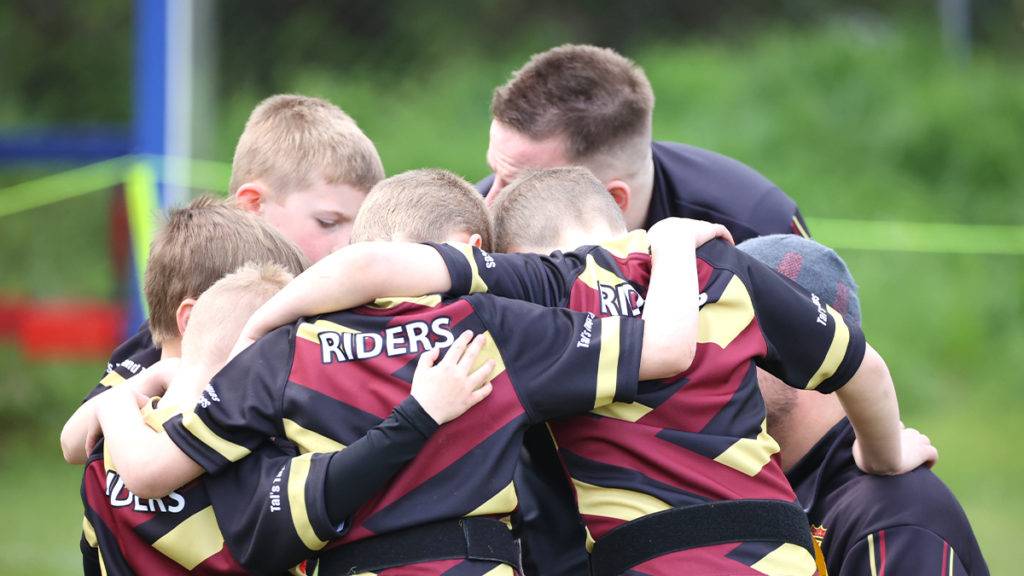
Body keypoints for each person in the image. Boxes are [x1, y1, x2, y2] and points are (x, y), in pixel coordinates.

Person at [248, 167, 937, 575]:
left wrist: (258, 336)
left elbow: (371, 265)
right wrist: (887, 453)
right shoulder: (722, 268)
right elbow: (864, 367)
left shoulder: (546, 287)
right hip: (774, 556)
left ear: (509, 255)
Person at [93, 169, 702, 575]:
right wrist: (670, 245)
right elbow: (669, 349)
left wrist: (115, 399)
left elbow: (148, 473)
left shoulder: (280, 352)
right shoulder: (497, 325)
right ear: (467, 248)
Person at [60, 94, 384, 465]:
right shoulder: (199, 309)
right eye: (328, 222)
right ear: (252, 205)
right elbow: (74, 443)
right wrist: (164, 376)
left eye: (359, 228)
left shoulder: (351, 315)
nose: (349, 245)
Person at [738, 234, 989, 576]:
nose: (713, 354)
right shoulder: (749, 482)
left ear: (810, 348)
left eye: (736, 331)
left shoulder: (896, 517)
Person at [81, 264, 304, 575]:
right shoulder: (258, 450)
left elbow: (93, 549)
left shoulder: (110, 444)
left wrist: (114, 403)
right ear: (263, 361)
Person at [60, 197, 308, 465]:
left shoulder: (252, 392)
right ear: (191, 321)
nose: (282, 342)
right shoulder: (145, 362)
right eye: (269, 327)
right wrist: (157, 376)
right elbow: (71, 444)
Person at [479, 44, 811, 243]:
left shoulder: (755, 228)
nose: (487, 206)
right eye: (497, 174)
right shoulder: (464, 232)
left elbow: (832, 359)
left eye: (515, 189)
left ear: (612, 199)